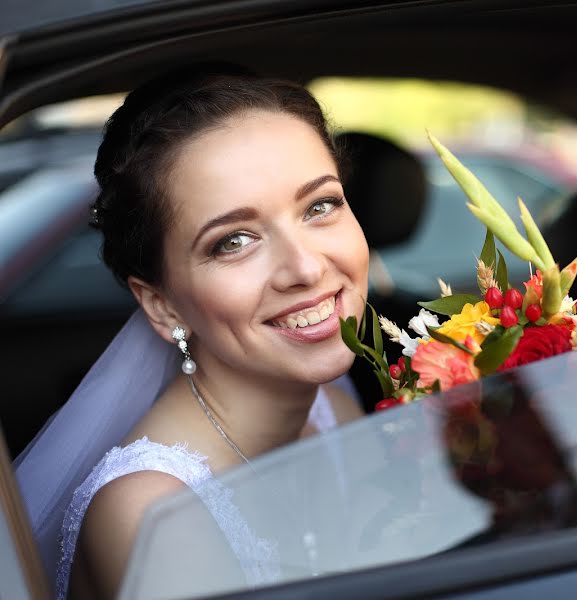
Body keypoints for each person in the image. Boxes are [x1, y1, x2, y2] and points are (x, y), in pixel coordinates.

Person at [13, 65, 370, 599]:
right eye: (233, 241)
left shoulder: (335, 418)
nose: (306, 268)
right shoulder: (154, 514)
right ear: (161, 306)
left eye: (320, 206)